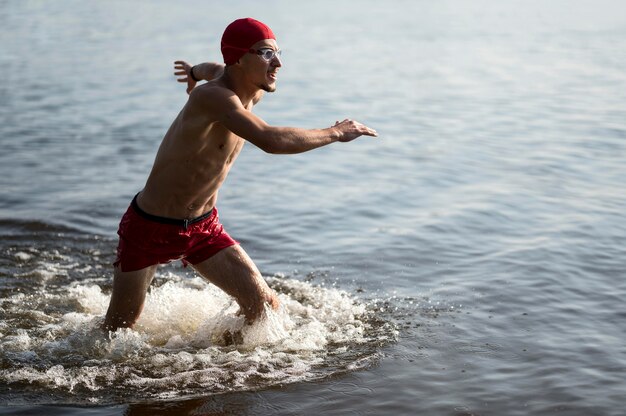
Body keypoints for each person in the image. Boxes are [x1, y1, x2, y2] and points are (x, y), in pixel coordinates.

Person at [102, 18, 378, 331]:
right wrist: (335, 133)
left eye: (277, 52)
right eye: (266, 53)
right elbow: (271, 140)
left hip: (203, 227)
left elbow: (211, 67)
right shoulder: (212, 97)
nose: (278, 63)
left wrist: (193, 72)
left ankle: (221, 359)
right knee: (119, 327)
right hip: (151, 226)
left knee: (264, 307)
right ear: (238, 59)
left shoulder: (242, 83)